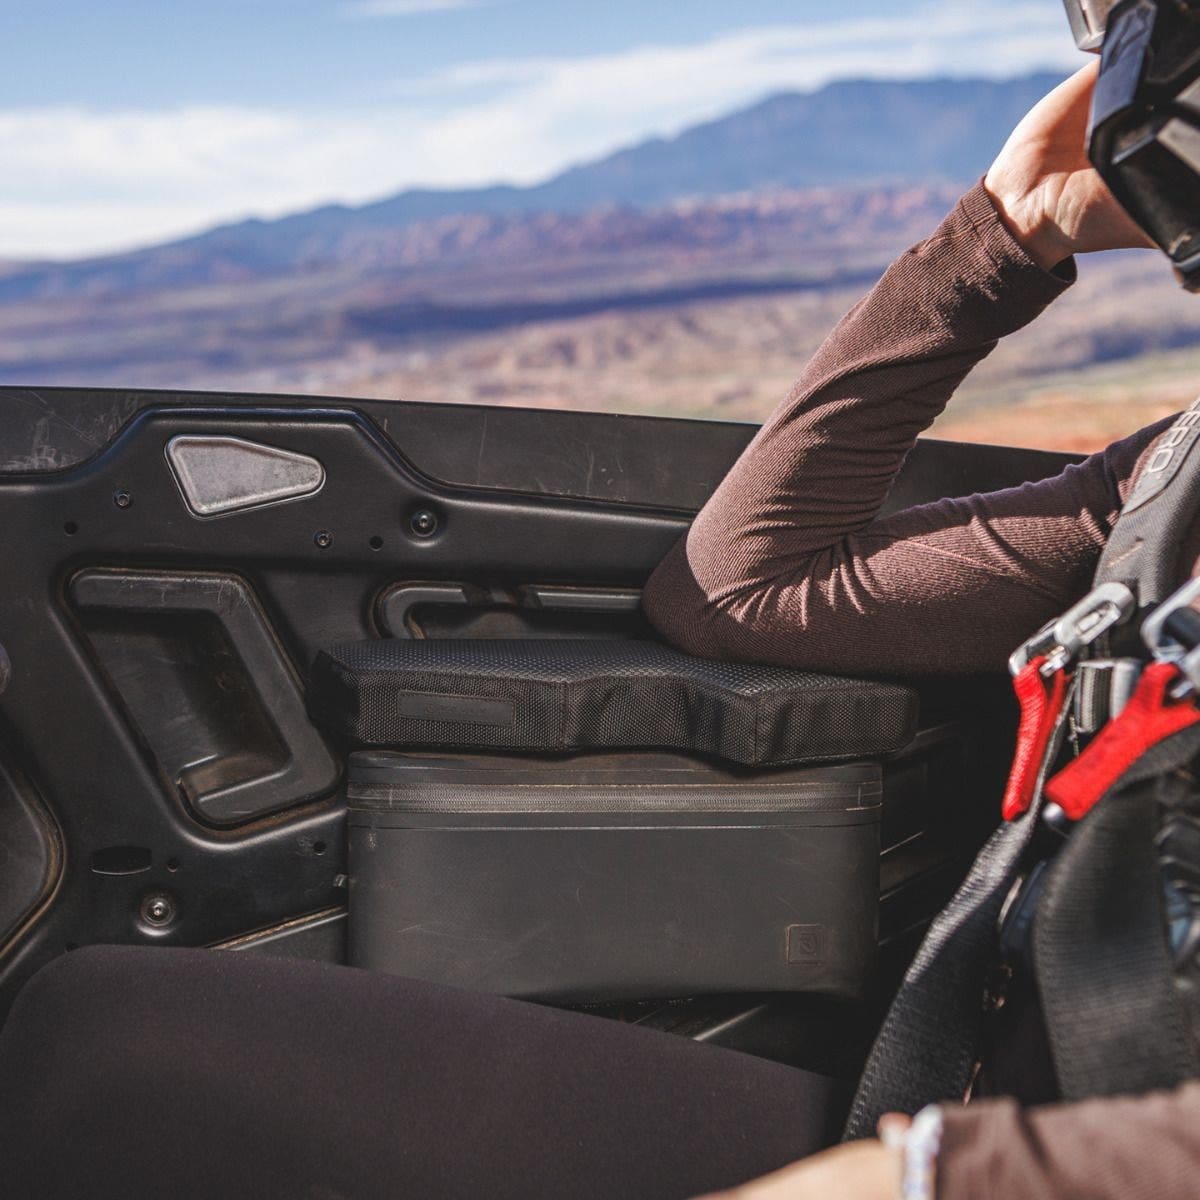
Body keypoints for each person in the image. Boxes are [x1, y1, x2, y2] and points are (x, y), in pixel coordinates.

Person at [1, 50, 1199, 1200]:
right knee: (106, 1036)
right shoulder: (1169, 479)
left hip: (1034, 1156)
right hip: (951, 1087)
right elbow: (745, 591)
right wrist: (1002, 234)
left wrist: (935, 1181)